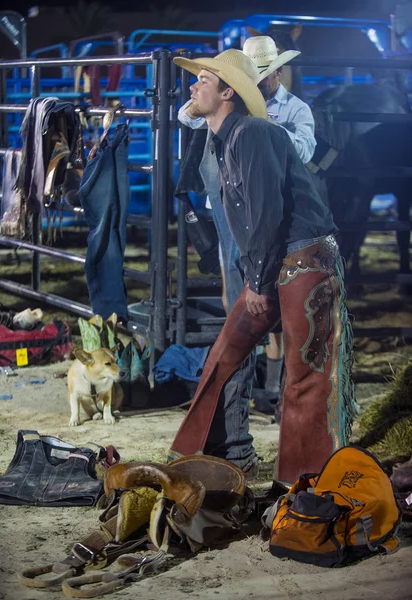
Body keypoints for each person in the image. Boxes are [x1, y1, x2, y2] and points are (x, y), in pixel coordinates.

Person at [169, 49, 356, 485]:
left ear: (227, 91)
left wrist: (257, 280)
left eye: (204, 80)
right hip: (279, 259)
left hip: (305, 260)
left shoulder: (253, 134)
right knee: (226, 352)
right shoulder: (223, 136)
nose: (194, 85)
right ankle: (217, 457)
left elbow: (267, 215)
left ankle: (303, 483)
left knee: (305, 374)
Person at [178, 36, 316, 411]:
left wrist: (267, 129)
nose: (258, 81)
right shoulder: (231, 120)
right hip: (235, 216)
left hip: (266, 222)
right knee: (238, 290)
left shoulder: (281, 117)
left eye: (264, 75)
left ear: (278, 73)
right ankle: (255, 388)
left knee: (266, 298)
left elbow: (302, 153)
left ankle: (272, 387)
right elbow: (185, 115)